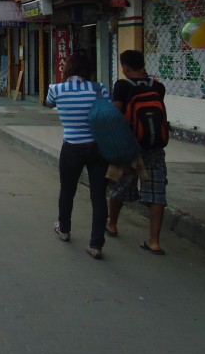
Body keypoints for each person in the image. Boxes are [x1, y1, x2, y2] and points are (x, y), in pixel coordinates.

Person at [45, 52, 109, 259]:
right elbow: (107, 111)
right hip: (97, 148)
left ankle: (64, 229)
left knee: (67, 190)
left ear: (68, 68)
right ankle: (96, 244)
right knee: (98, 197)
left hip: (71, 146)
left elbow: (49, 104)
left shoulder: (56, 89)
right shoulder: (99, 89)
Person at [107, 49, 169, 255]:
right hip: (155, 147)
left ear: (124, 68)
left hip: (129, 147)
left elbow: (116, 112)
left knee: (120, 186)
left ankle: (112, 224)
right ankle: (154, 241)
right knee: (156, 191)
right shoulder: (157, 86)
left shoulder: (122, 86)